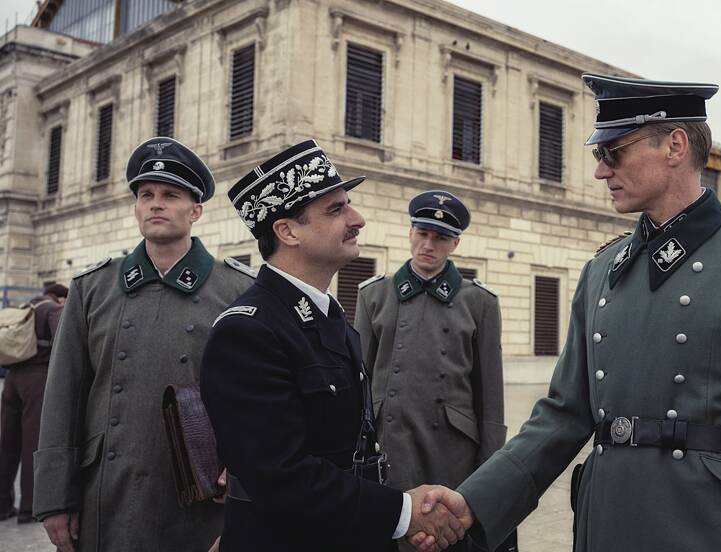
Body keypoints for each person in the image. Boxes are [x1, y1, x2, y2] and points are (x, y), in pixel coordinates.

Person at [413, 74, 721, 552]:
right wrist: (474, 502)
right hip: (609, 523)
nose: (600, 171)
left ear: (675, 146)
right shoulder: (602, 270)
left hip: (709, 527)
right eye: (599, 156)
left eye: (612, 153)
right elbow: (562, 416)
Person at [200, 140, 465, 551]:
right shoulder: (248, 331)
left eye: (349, 205)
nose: (357, 219)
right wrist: (403, 512)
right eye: (336, 209)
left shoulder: (329, 318)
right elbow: (280, 476)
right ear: (287, 231)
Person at [33, 137, 255, 552]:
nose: (156, 203)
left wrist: (243, 479)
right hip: (106, 492)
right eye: (146, 195)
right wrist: (54, 499)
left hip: (202, 496)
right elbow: (63, 396)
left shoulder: (237, 289)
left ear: (196, 211)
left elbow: (256, 401)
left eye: (171, 195)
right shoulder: (93, 287)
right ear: (135, 208)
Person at [356, 191, 516, 552]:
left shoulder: (479, 303)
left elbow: (491, 398)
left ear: (455, 243)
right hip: (389, 446)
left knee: (445, 537)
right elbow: (360, 385)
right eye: (422, 233)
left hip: (452, 451)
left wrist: (488, 478)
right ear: (410, 232)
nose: (428, 245)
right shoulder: (374, 295)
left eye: (441, 237)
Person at [0, 283, 67, 523]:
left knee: (6, 445)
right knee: (33, 445)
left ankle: (3, 505)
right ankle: (29, 508)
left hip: (11, 380)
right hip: (36, 382)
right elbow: (64, 344)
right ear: (60, 297)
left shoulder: (25, 307)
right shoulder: (53, 310)